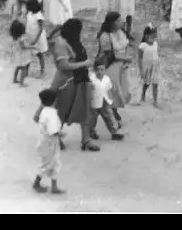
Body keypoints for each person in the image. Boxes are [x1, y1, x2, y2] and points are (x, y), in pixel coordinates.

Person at [44, 18, 98, 152]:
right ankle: (55, 137)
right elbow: (64, 66)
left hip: (82, 79)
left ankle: (86, 140)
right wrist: (84, 64)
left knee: (85, 110)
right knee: (63, 110)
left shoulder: (72, 41)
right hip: (69, 82)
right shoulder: (61, 43)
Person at [95, 11, 134, 111]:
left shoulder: (120, 31)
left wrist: (125, 60)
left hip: (121, 65)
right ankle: (113, 114)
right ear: (112, 23)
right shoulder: (105, 36)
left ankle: (113, 112)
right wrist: (126, 59)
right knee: (113, 90)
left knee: (122, 89)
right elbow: (110, 56)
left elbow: (125, 45)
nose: (121, 22)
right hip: (110, 66)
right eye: (118, 20)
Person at [32, 89, 66, 194]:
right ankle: (37, 183)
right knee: (49, 164)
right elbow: (53, 131)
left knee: (53, 163)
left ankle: (54, 186)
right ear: (54, 101)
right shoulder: (52, 114)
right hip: (50, 142)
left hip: (45, 141)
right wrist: (61, 134)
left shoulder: (44, 111)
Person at [88, 61, 124, 142]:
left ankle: (114, 133)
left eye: (102, 69)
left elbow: (109, 90)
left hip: (104, 101)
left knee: (109, 116)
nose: (100, 72)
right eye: (98, 69)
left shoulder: (107, 79)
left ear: (105, 70)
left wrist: (111, 101)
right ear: (94, 70)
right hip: (94, 102)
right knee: (93, 119)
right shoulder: (91, 79)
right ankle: (91, 132)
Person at [137, 25, 161, 107]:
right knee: (146, 83)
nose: (154, 39)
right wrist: (141, 70)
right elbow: (139, 58)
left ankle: (155, 101)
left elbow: (156, 54)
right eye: (153, 37)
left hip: (155, 65)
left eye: (155, 37)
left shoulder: (155, 43)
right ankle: (143, 94)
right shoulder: (142, 46)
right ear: (146, 36)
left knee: (155, 83)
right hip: (147, 67)